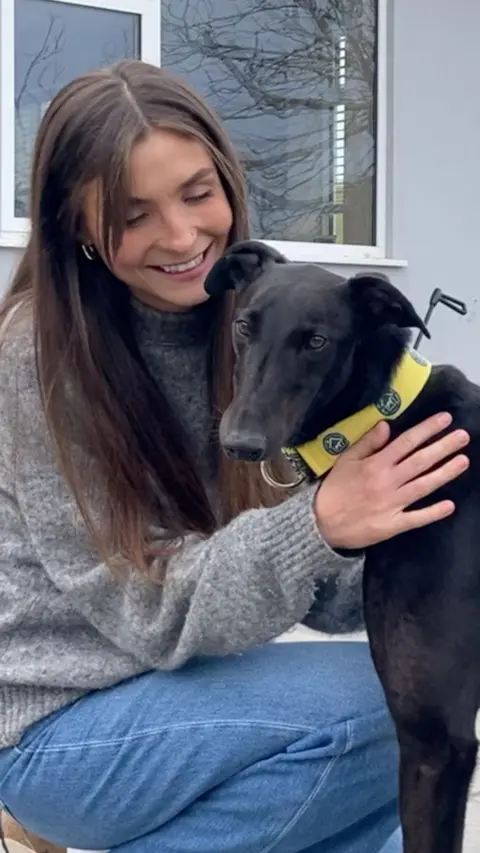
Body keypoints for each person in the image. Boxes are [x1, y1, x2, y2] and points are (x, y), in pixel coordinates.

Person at [0, 59, 470, 853]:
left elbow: (319, 597)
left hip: (203, 700)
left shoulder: (258, 324)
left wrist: (412, 527)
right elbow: (149, 610)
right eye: (132, 214)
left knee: (387, 821)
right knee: (390, 710)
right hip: (60, 723)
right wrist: (320, 522)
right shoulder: (34, 359)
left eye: (195, 194)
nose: (181, 237)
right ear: (77, 225)